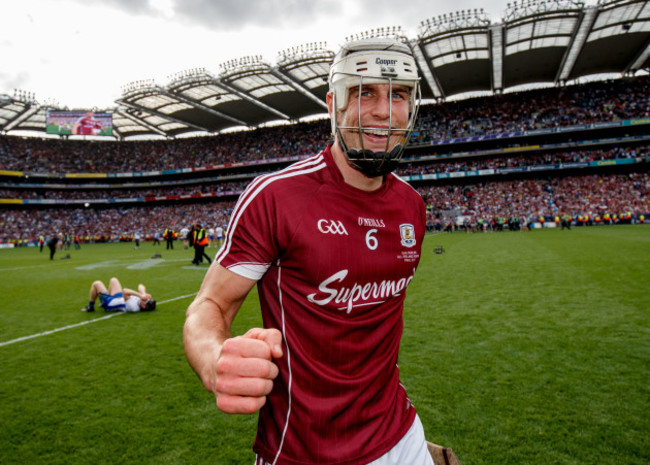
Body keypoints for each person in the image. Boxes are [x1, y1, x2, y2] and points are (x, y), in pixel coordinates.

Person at [183, 38, 430, 465]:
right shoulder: (276, 197)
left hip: (402, 434)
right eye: (364, 91)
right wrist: (213, 358)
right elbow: (210, 305)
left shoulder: (412, 205)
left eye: (399, 95)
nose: (383, 111)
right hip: (304, 450)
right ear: (333, 103)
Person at [81, 277, 156, 313]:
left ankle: (90, 307)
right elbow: (140, 285)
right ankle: (106, 296)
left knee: (96, 283)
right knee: (113, 280)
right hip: (119, 298)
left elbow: (125, 291)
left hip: (110, 302)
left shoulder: (133, 307)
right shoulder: (140, 302)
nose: (145, 299)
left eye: (145, 300)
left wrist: (140, 296)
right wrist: (143, 293)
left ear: (143, 306)